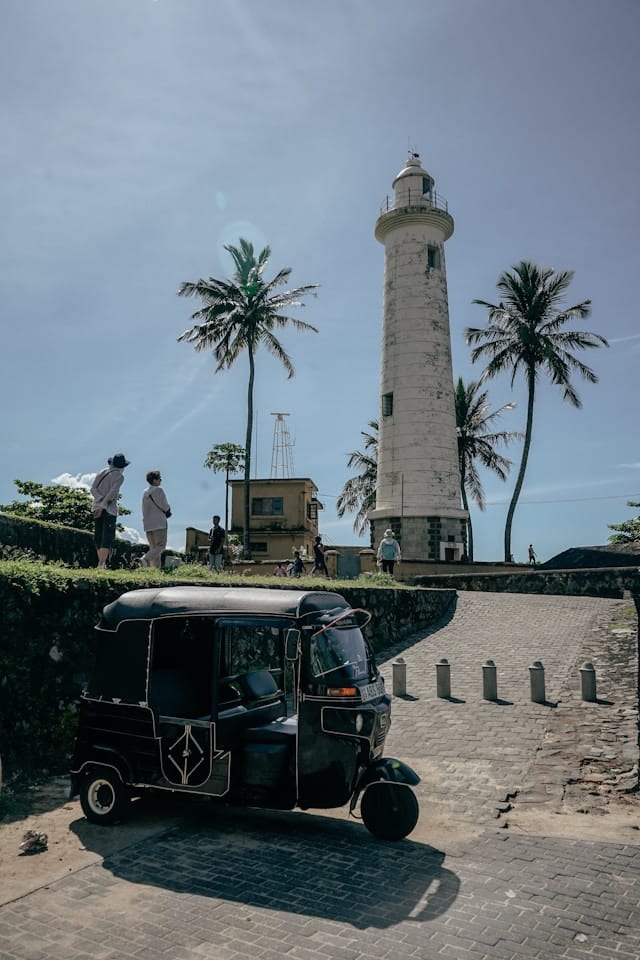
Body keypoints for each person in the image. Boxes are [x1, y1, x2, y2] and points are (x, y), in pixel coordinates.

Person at [90, 453, 130, 569]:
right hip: (109, 509)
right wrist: (103, 504)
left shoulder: (103, 472)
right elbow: (112, 493)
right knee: (106, 537)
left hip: (96, 507)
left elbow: (93, 489)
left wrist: (99, 500)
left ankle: (101, 563)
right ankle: (102, 564)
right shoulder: (119, 476)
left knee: (98, 535)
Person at [141, 470, 171, 569]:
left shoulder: (145, 493)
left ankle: (154, 569)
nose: (161, 480)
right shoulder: (159, 490)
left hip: (148, 524)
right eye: (159, 479)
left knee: (154, 549)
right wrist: (168, 510)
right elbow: (165, 506)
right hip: (159, 523)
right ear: (154, 480)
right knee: (161, 546)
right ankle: (145, 559)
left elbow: (143, 509)